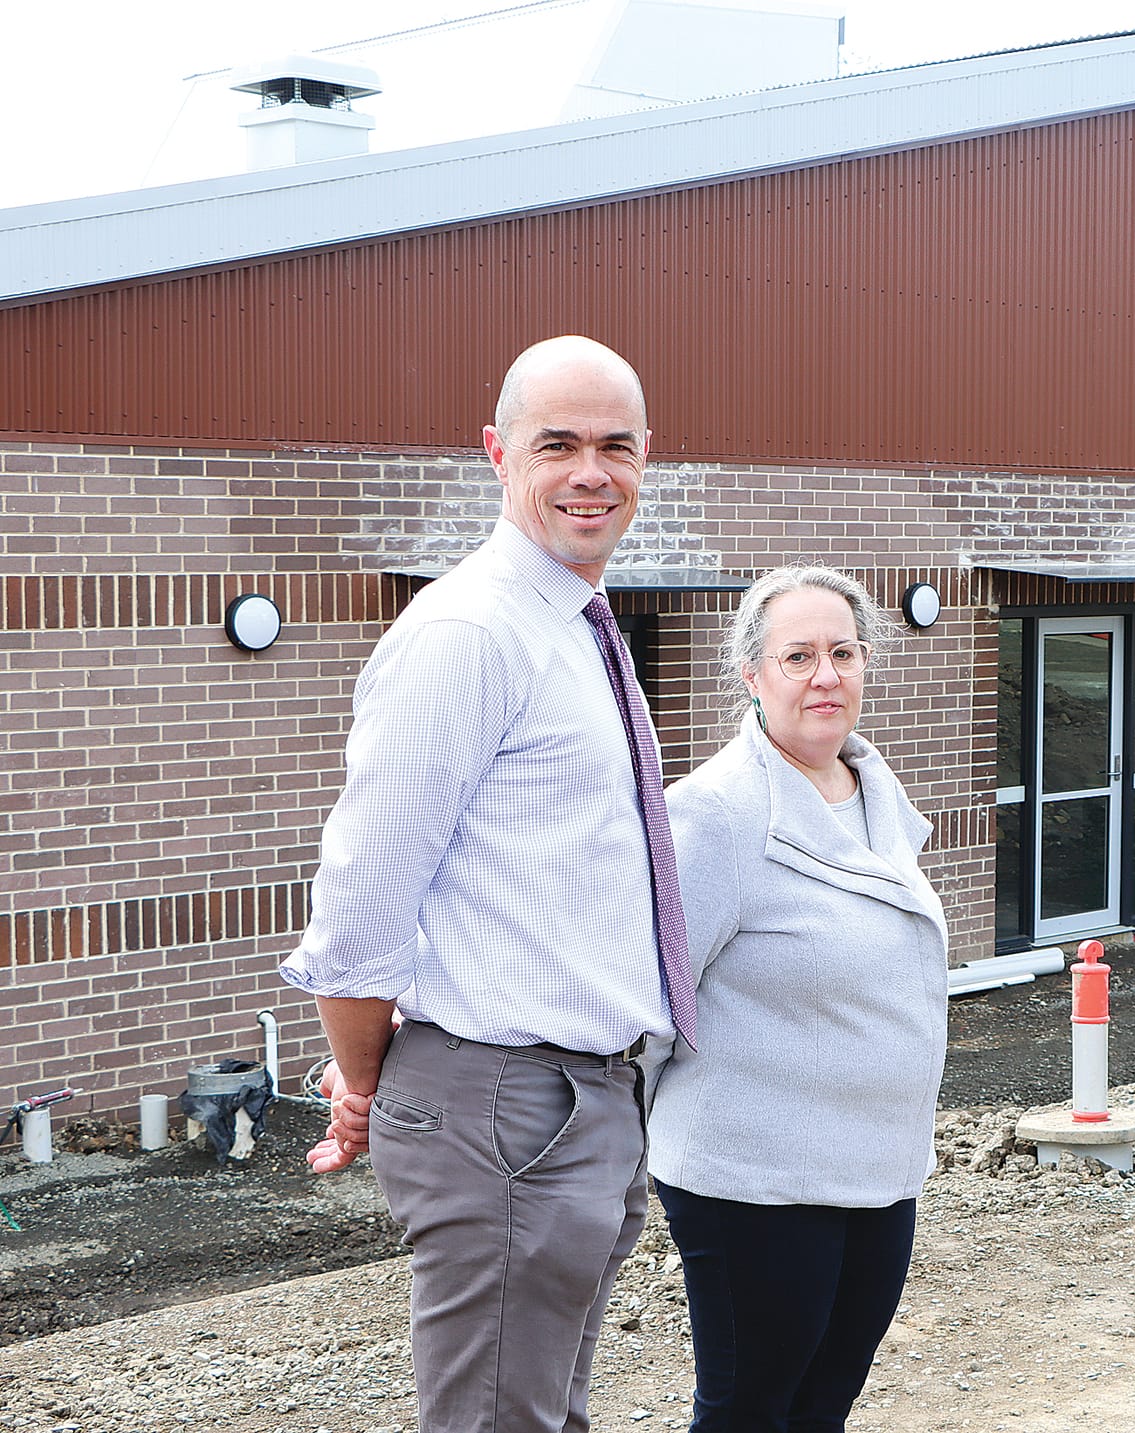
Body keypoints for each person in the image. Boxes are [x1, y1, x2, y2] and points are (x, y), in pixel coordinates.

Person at [279, 335, 695, 1433]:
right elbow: (361, 903)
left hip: (582, 1100)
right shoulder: (469, 633)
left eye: (614, 445)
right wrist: (366, 1078)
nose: (590, 471)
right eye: (556, 443)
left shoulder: (570, 625)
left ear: (648, 456)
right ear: (495, 453)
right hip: (510, 1104)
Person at [643, 565, 949, 1432]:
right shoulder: (715, 816)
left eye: (844, 652)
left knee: (822, 1406)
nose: (827, 675)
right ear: (752, 674)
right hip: (756, 1179)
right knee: (749, 1410)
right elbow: (655, 1003)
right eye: (800, 655)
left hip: (876, 1171)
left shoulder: (876, 794)